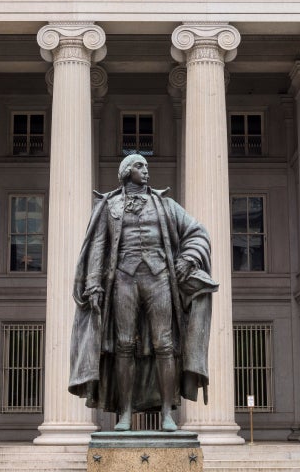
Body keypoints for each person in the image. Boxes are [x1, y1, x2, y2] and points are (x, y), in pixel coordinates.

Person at [68, 154, 217, 432]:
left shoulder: (166, 205)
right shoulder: (109, 206)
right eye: (140, 166)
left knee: (165, 345)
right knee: (124, 345)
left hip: (159, 278)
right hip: (123, 279)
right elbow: (98, 246)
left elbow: (198, 232)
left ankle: (167, 414)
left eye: (146, 166)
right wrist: (93, 284)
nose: (146, 170)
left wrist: (188, 258)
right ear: (126, 171)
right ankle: (124, 413)